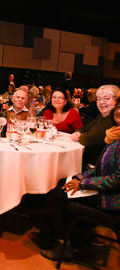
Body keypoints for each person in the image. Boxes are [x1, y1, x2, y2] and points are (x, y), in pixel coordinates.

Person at [39, 97, 120, 261]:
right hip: (105, 190)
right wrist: (77, 178)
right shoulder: (114, 136)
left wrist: (82, 183)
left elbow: (115, 179)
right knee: (61, 186)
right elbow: (99, 169)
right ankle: (73, 240)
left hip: (112, 199)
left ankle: (60, 245)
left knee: (57, 196)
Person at [71, 84, 119, 166]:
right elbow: (85, 128)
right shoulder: (102, 116)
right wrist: (79, 132)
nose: (101, 102)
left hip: (96, 166)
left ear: (116, 101)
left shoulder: (113, 119)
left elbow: (87, 140)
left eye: (106, 98)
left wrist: (79, 136)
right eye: (98, 99)